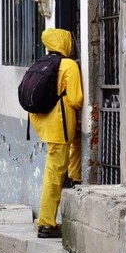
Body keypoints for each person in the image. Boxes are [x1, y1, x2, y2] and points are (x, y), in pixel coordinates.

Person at [29, 28, 83, 238]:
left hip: (44, 122)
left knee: (67, 155)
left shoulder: (43, 62)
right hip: (59, 125)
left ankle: (74, 176)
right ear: (65, 43)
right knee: (53, 174)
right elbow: (77, 99)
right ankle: (46, 223)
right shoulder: (68, 65)